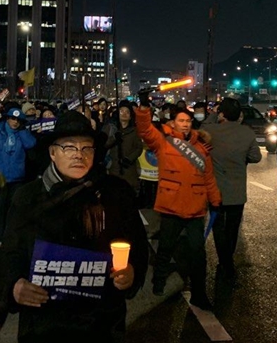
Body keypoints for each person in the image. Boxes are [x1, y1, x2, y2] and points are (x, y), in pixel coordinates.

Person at [0, 111, 148, 342]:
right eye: (69, 147)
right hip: (44, 323)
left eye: (86, 148)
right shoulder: (27, 197)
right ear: (52, 153)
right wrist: (15, 285)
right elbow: (10, 251)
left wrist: (132, 272)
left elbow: (138, 244)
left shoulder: (116, 192)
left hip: (102, 323)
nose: (78, 155)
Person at [134, 92, 221, 310]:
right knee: (165, 248)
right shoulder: (163, 141)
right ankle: (159, 282)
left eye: (188, 121)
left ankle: (199, 294)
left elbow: (208, 177)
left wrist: (216, 199)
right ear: (173, 123)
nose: (185, 124)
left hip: (195, 208)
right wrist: (144, 107)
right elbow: (144, 130)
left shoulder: (202, 147)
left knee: (198, 254)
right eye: (181, 120)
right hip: (171, 205)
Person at [200, 97, 261, 282]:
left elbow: (201, 126)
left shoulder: (210, 130)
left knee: (218, 228)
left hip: (215, 191)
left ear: (221, 113)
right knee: (232, 229)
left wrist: (213, 114)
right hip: (237, 191)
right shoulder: (247, 133)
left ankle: (225, 263)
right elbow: (256, 157)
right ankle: (228, 264)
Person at [0, 107, 37, 253]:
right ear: (7, 118)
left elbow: (31, 144)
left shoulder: (22, 134)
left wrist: (22, 131)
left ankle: (10, 238)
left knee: (13, 209)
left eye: (18, 120)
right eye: (12, 119)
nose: (15, 122)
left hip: (17, 177)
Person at [104, 101, 143, 194]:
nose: (124, 114)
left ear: (130, 116)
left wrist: (129, 159)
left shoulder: (135, 131)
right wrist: (114, 138)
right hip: (113, 169)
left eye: (127, 112)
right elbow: (104, 145)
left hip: (128, 169)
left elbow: (139, 148)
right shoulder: (111, 129)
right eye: (121, 111)